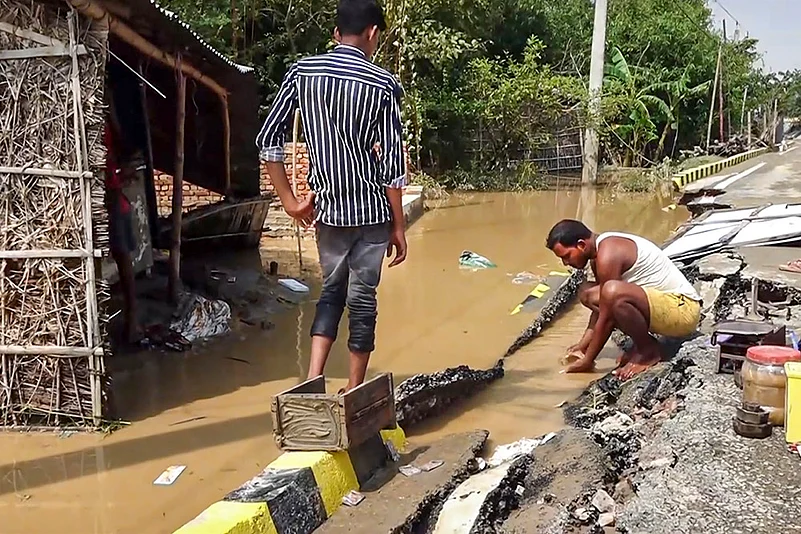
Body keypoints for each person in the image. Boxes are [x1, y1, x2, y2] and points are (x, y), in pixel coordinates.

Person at [256, 0, 408, 392]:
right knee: (362, 301)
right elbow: (391, 166)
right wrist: (399, 226)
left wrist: (290, 202)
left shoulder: (302, 73)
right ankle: (354, 387)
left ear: (338, 32)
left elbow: (267, 141)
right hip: (372, 213)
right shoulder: (383, 84)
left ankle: (313, 378)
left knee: (331, 294)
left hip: (328, 213)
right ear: (372, 33)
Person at [546, 219, 701, 379]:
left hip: (683, 310)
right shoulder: (600, 251)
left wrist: (588, 359)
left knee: (610, 292)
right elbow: (601, 310)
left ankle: (647, 351)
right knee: (589, 292)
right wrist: (582, 346)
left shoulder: (608, 254)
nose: (566, 263)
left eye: (567, 256)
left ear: (581, 245)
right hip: (665, 307)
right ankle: (642, 345)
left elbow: (607, 316)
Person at [104, 100, 141, 345]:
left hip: (114, 197)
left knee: (123, 258)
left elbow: (121, 155)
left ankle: (132, 321)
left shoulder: (108, 125)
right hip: (103, 196)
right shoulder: (90, 125)